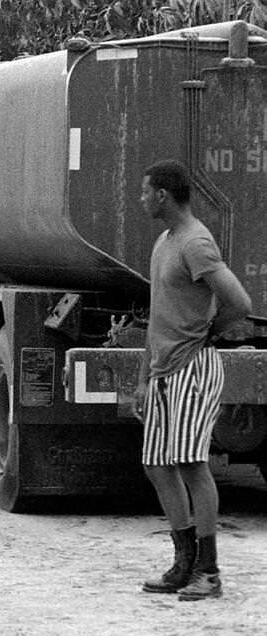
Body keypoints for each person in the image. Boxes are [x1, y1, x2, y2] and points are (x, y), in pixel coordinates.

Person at [137, 160, 250, 601]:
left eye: (145, 191)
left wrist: (207, 334)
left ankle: (209, 571)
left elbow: (239, 302)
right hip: (163, 372)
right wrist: (144, 377)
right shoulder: (164, 241)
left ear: (162, 195)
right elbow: (157, 315)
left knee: (190, 463)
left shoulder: (196, 242)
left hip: (193, 369)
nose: (142, 199)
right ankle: (183, 563)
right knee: (156, 464)